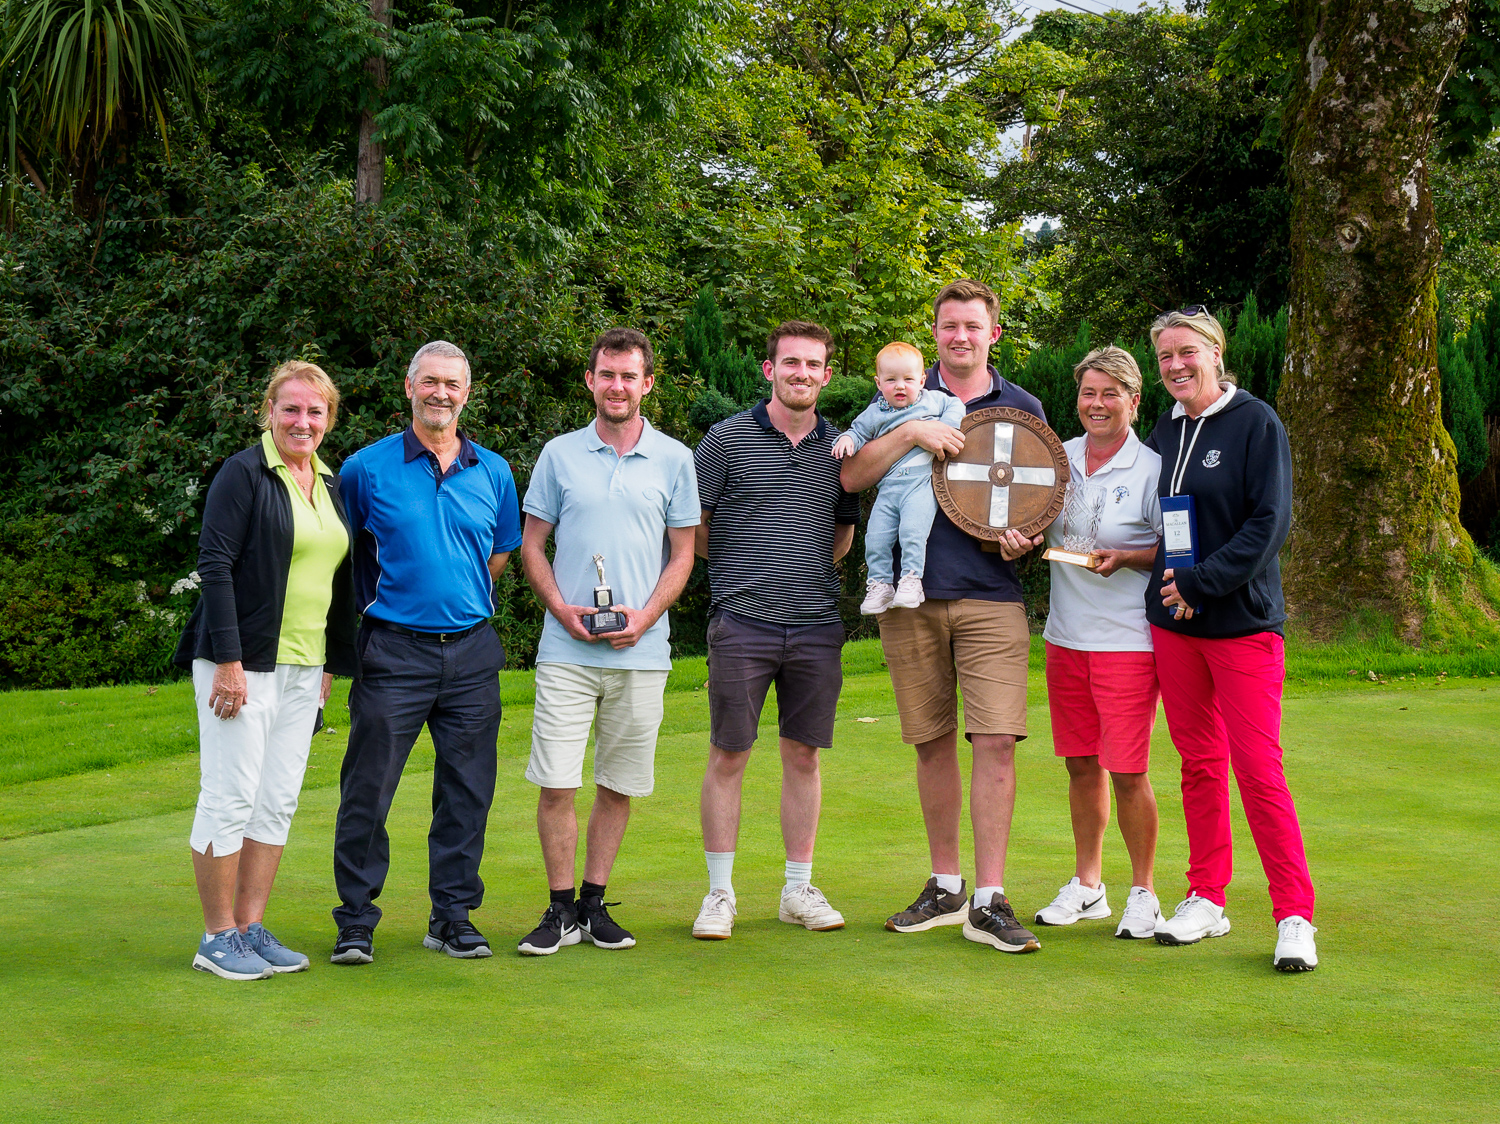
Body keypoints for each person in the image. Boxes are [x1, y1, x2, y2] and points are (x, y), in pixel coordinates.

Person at [839, 279, 1045, 953]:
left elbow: (1036, 503)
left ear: (995, 334)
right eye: (948, 326)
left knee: (994, 740)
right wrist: (913, 433)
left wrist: (1027, 541)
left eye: (972, 326)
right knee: (930, 742)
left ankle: (989, 898)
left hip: (991, 595)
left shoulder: (1020, 407)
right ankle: (945, 885)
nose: (960, 336)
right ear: (934, 333)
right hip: (910, 599)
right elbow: (852, 477)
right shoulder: (899, 394)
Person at [329, 340, 523, 965]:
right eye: (430, 382)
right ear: (409, 387)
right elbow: (343, 553)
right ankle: (356, 919)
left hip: (472, 651)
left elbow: (496, 556)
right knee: (369, 788)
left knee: (467, 791)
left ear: (467, 393)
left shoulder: (492, 471)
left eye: (453, 384)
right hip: (392, 650)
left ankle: (453, 916)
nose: (442, 393)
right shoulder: (365, 469)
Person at [1143, 306, 1318, 972]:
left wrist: (1201, 583)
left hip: (1241, 624)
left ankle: (1293, 914)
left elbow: (1269, 523)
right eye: (1165, 357)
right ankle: (1206, 897)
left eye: (1187, 351)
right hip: (1174, 628)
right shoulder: (1163, 429)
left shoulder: (1256, 422)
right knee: (1199, 764)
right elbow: (1158, 522)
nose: (1177, 365)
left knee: (1258, 770)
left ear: (1215, 352)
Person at [515, 328, 699, 955]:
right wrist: (562, 609)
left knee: (619, 783)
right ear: (590, 380)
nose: (617, 386)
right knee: (558, 782)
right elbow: (532, 545)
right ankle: (559, 908)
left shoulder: (676, 458)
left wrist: (645, 617)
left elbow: (683, 556)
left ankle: (594, 904)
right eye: (606, 374)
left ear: (647, 383)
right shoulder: (558, 454)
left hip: (641, 652)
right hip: (566, 649)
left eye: (629, 376)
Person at [175, 361, 357, 980]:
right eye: (291, 410)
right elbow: (215, 565)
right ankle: (216, 935)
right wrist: (228, 660)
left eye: (314, 412)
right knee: (230, 796)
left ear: (328, 420)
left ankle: (249, 929)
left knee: (276, 801)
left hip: (306, 670)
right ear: (269, 413)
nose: (302, 422)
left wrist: (331, 664)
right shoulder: (243, 472)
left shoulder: (329, 484)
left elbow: (336, 579)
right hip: (242, 664)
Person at [691, 320, 859, 941]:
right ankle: (719, 893)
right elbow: (695, 528)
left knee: (804, 756)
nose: (801, 374)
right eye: (790, 363)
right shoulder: (726, 438)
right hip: (741, 621)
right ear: (770, 370)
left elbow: (842, 537)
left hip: (816, 624)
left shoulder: (840, 446)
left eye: (813, 365)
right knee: (729, 753)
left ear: (826, 374)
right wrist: (746, 569)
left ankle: (797, 888)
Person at [1034, 346, 1165, 939]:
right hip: (1065, 637)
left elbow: (1175, 550)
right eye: (1089, 393)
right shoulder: (1055, 458)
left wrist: (1129, 557)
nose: (1098, 404)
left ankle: (1144, 892)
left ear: (1135, 401)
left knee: (1128, 771)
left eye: (1111, 393)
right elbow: (1028, 519)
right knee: (1081, 764)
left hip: (1128, 642)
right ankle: (1088, 886)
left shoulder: (1153, 468)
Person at [832, 341, 967, 614]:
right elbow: (858, 431)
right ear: (878, 383)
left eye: (908, 379)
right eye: (891, 380)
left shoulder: (934, 400)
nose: (900, 386)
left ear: (922, 380)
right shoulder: (876, 412)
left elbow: (956, 405)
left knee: (912, 532)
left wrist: (945, 427)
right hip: (889, 488)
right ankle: (880, 584)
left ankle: (911, 579)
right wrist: (847, 438)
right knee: (876, 537)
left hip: (920, 485)